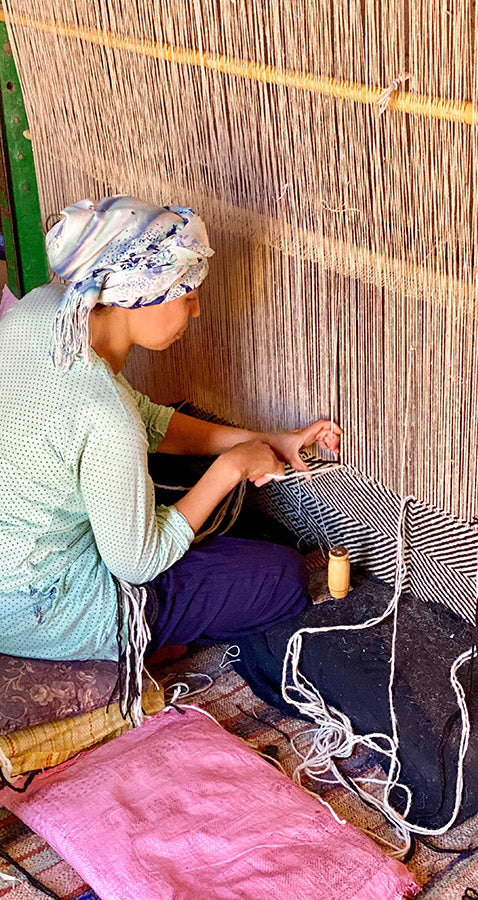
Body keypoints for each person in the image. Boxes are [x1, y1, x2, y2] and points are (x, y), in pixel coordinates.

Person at [0, 195, 341, 717]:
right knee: (280, 577)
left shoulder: (43, 309)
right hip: (45, 611)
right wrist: (230, 469)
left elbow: (141, 416)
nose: (196, 311)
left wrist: (266, 439)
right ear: (141, 296)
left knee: (189, 500)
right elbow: (138, 563)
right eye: (188, 295)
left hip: (11, 570)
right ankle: (136, 641)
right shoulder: (104, 412)